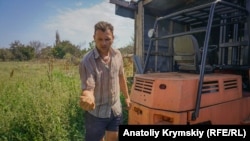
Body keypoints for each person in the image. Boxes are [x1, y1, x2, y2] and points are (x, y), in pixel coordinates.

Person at [79, 21, 131, 141]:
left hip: (115, 108)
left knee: (113, 138)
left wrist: (127, 97)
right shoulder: (87, 61)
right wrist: (88, 97)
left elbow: (121, 77)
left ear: (113, 38)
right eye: (100, 39)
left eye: (107, 39)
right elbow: (88, 87)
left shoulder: (117, 55)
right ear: (94, 38)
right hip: (96, 113)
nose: (103, 43)